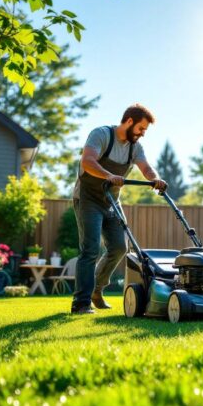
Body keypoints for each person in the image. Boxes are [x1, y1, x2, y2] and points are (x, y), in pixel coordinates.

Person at [71, 104, 167, 314]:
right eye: (141, 129)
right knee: (90, 249)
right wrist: (108, 175)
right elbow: (87, 162)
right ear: (129, 121)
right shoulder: (101, 134)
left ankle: (97, 289)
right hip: (88, 199)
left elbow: (146, 168)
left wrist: (155, 180)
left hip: (112, 202)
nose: (142, 134)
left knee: (119, 248)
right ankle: (81, 303)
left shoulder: (135, 147)